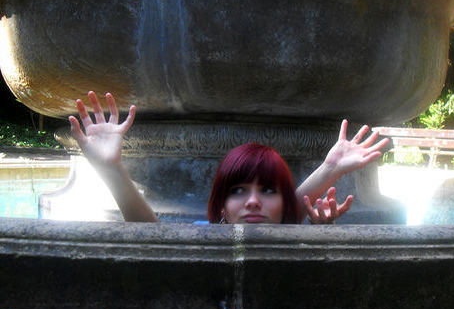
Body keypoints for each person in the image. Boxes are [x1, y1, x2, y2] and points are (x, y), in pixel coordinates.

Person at [69, 91, 388, 224]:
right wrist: (111, 170)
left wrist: (321, 235)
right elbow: (152, 235)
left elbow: (293, 206)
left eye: (268, 190)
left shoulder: (291, 230)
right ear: (221, 205)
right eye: (237, 191)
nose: (253, 202)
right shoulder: (206, 237)